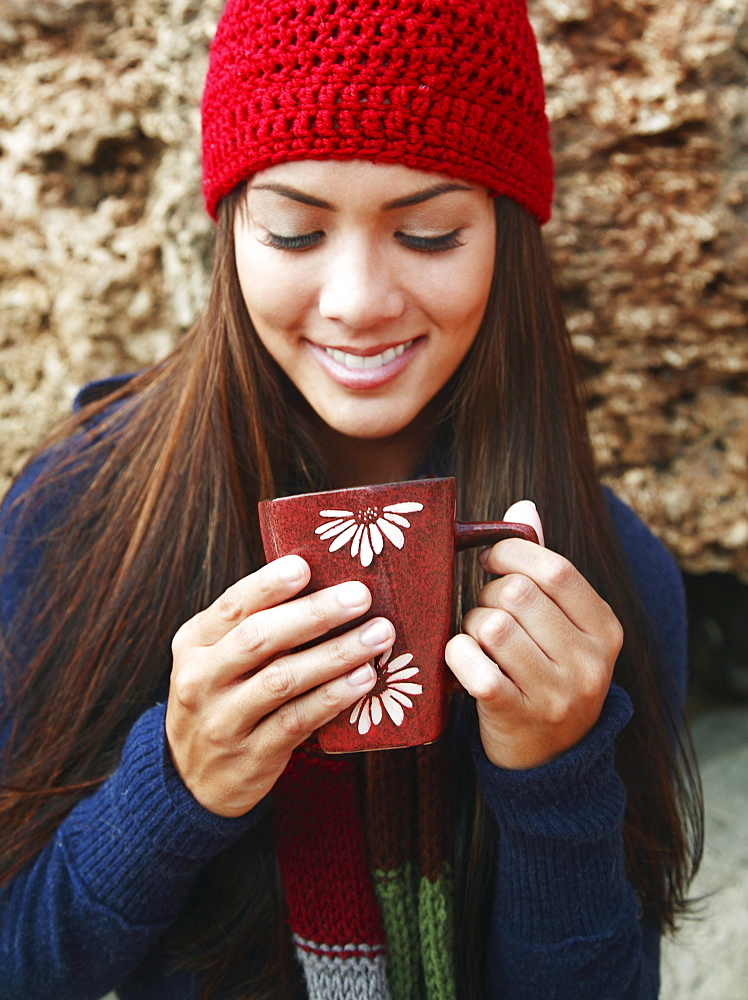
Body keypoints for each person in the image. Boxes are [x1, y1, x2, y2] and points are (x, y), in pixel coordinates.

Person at [0, 1, 702, 998]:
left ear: (507, 234)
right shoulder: (77, 518)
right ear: (229, 230)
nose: (356, 298)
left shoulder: (606, 583)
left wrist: (556, 779)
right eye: (292, 233)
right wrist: (171, 791)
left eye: (427, 233)